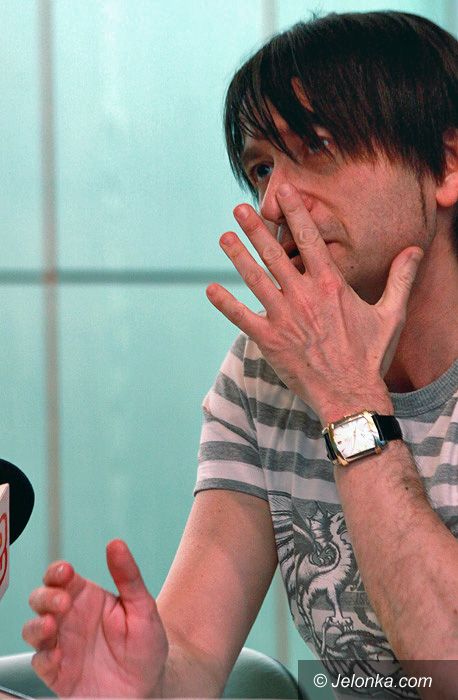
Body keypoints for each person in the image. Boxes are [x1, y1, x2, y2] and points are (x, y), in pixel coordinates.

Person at [23, 10, 458, 699]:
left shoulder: (317, 370)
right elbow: (195, 653)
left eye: (316, 146)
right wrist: (143, 681)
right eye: (261, 167)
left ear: (447, 163)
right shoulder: (269, 369)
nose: (273, 202)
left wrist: (349, 401)